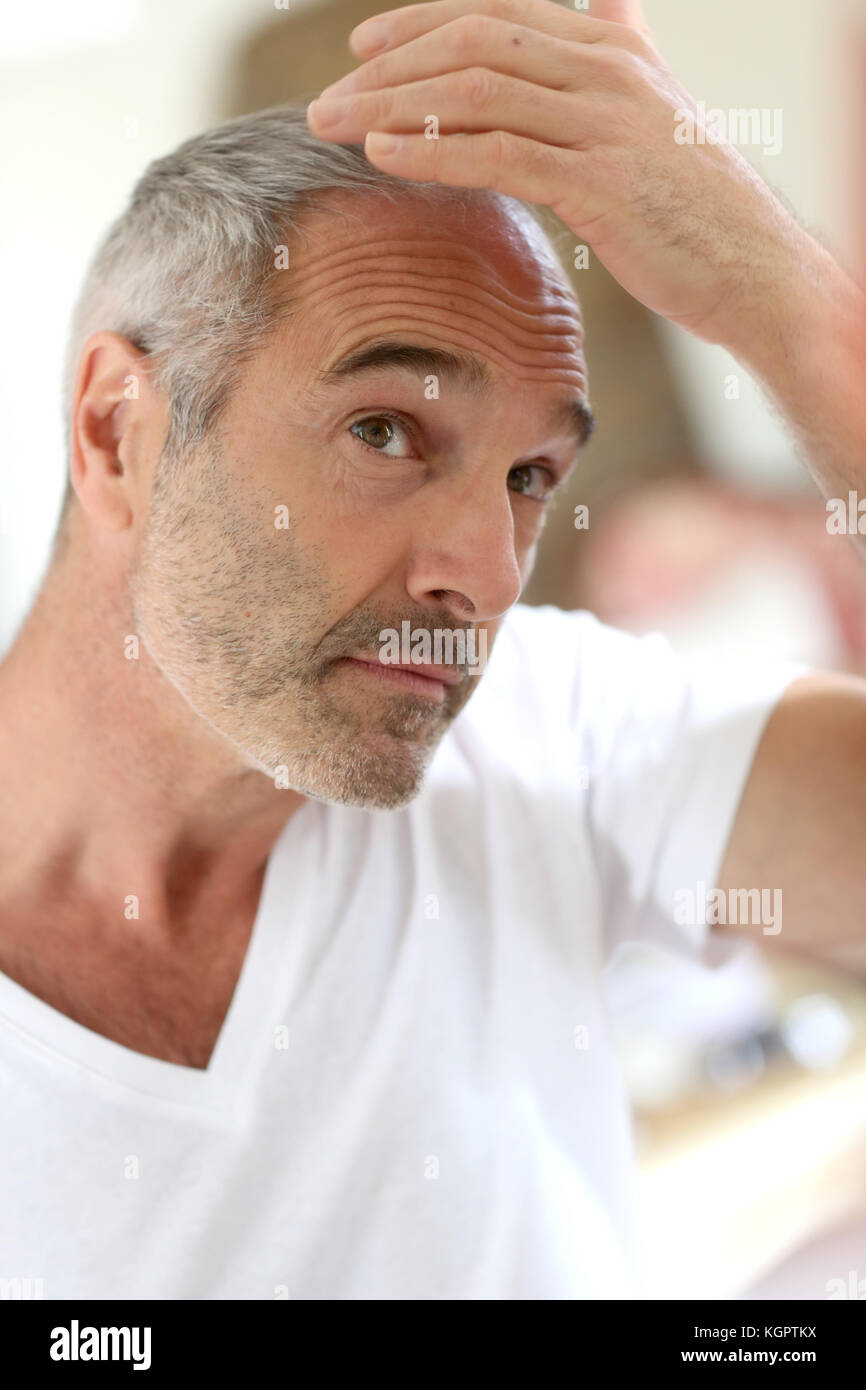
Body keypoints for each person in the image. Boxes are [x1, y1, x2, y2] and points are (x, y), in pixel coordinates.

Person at [1, 0, 864, 1300]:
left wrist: (788, 310)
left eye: (528, 475)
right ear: (119, 429)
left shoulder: (545, 729)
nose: (485, 573)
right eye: (387, 431)